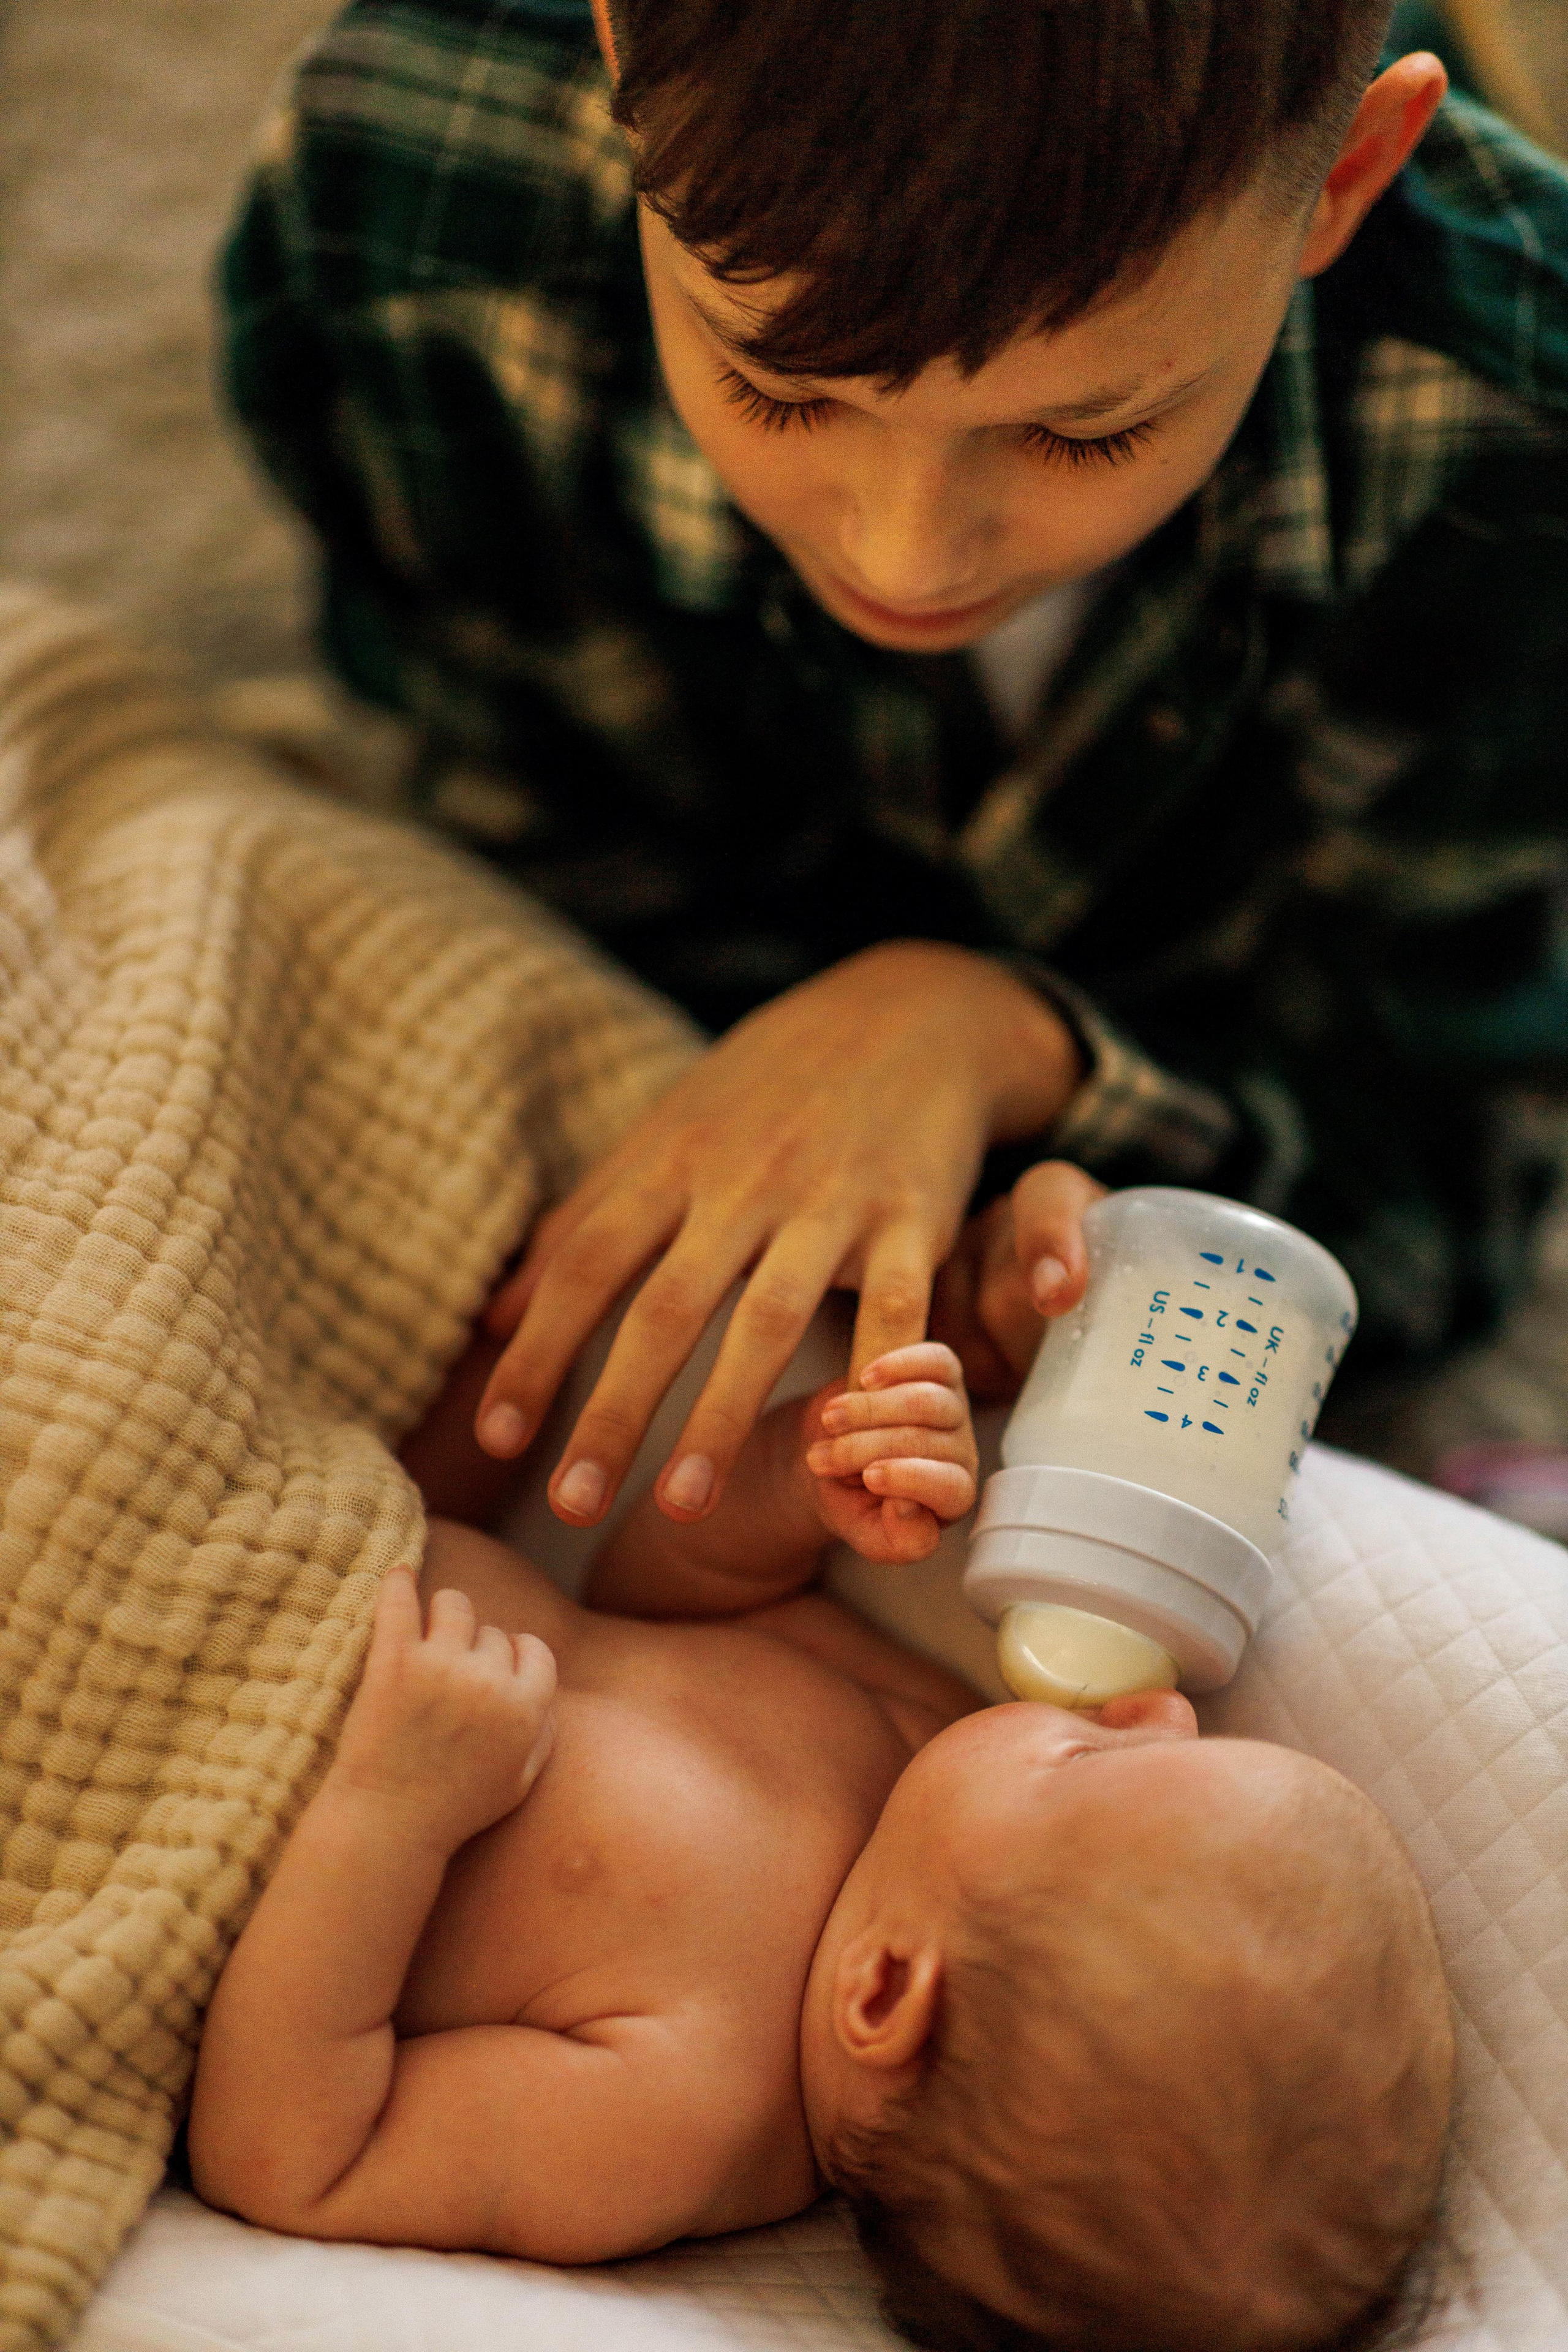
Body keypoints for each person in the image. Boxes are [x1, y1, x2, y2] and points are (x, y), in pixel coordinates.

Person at [221, 0, 1568, 1542]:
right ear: (617, 56)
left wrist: (1010, 1048)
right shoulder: (394, 198)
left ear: (1345, 177)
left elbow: (1441, 1181)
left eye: (1082, 432)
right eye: (781, 390)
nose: (903, 556)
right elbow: (495, 824)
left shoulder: (1512, 434)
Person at [188, 1343, 1453, 2351]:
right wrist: (795, 1485)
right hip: (316, 1524)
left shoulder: (678, 2115)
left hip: (211, 1749)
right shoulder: (914, 1740)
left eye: (1089, 1761)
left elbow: (296, 2155)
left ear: (886, 1992)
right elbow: (650, 1602)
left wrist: (388, 1812)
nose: (1155, 1705)